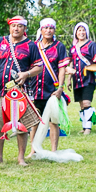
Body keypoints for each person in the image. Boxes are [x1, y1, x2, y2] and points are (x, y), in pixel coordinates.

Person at [0, 16, 43, 166]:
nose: (16, 29)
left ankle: (21, 157)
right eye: (13, 26)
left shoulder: (31, 45)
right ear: (9, 27)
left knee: (21, 125)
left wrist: (26, 74)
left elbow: (39, 67)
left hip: (19, 92)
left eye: (19, 26)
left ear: (24, 29)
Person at [30, 17, 70, 153]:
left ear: (54, 30)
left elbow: (62, 68)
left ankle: (54, 150)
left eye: (51, 28)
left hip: (51, 88)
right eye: (45, 28)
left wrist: (60, 88)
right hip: (35, 88)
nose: (48, 30)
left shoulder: (59, 46)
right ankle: (33, 150)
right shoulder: (33, 46)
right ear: (40, 30)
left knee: (54, 120)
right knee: (34, 120)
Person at [70, 21, 96, 135]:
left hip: (88, 78)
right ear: (76, 33)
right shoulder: (73, 47)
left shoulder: (91, 45)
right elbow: (71, 63)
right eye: (79, 30)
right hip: (77, 79)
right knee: (81, 103)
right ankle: (84, 125)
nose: (81, 32)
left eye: (83, 30)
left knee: (86, 102)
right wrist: (68, 79)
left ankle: (88, 128)